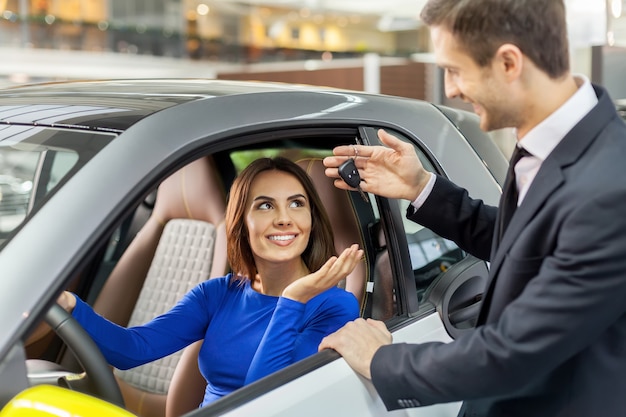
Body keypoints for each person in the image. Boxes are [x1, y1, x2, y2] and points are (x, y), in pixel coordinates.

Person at [319, 1, 626, 416]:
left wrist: (380, 360)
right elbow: (525, 244)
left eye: (454, 69)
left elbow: (513, 354)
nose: (450, 90)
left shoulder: (612, 185)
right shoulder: (550, 146)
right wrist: (420, 187)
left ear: (508, 63)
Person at [57, 156, 363, 407]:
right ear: (241, 221)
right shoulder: (218, 293)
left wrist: (293, 300)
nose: (284, 218)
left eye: (297, 203)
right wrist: (70, 305)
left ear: (312, 219)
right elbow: (132, 350)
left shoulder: (335, 306)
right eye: (265, 205)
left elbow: (264, 398)